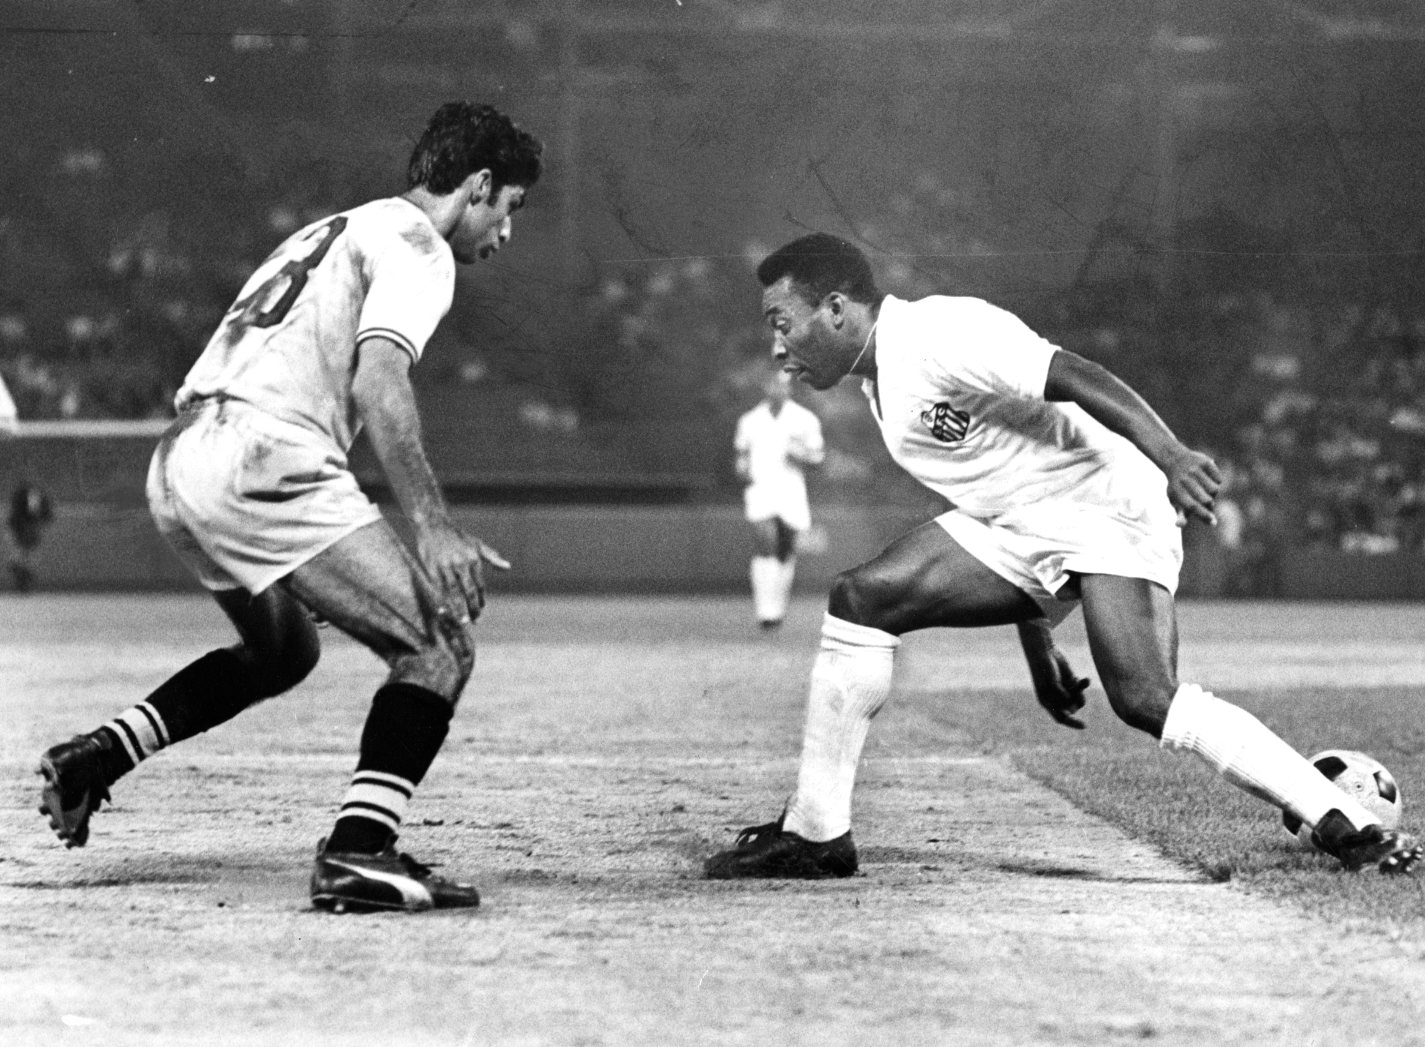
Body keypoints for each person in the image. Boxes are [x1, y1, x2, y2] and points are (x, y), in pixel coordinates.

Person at [705, 232, 1422, 879]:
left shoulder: (936, 333)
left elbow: (1074, 374)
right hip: (1026, 522)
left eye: (781, 322)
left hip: (1105, 501)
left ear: (834, 308)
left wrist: (1169, 455)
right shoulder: (879, 382)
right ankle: (816, 832)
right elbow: (996, 492)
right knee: (862, 598)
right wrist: (1037, 637)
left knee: (1144, 697)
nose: (777, 347)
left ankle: (1349, 824)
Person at [36, 101, 544, 913]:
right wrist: (432, 525)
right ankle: (357, 853)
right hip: (262, 457)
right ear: (479, 185)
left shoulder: (333, 229)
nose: (507, 232)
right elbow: (381, 380)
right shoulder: (419, 246)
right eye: (511, 208)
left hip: (180, 458)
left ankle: (100, 755)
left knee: (284, 652)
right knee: (439, 646)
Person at [734, 367, 825, 629]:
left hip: (791, 493)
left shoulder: (804, 419)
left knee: (785, 553)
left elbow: (818, 457)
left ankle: (777, 608)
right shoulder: (749, 420)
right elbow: (741, 454)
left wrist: (801, 457)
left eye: (783, 385)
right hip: (761, 491)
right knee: (766, 543)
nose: (778, 389)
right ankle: (765, 611)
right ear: (766, 387)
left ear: (789, 388)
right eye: (773, 384)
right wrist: (741, 468)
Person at [8, 482, 54, 593]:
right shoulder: (32, 496)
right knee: (25, 551)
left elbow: (42, 514)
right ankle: (21, 569)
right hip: (24, 526)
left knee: (25, 552)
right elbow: (39, 514)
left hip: (24, 527)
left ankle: (21, 569)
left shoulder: (30, 496)